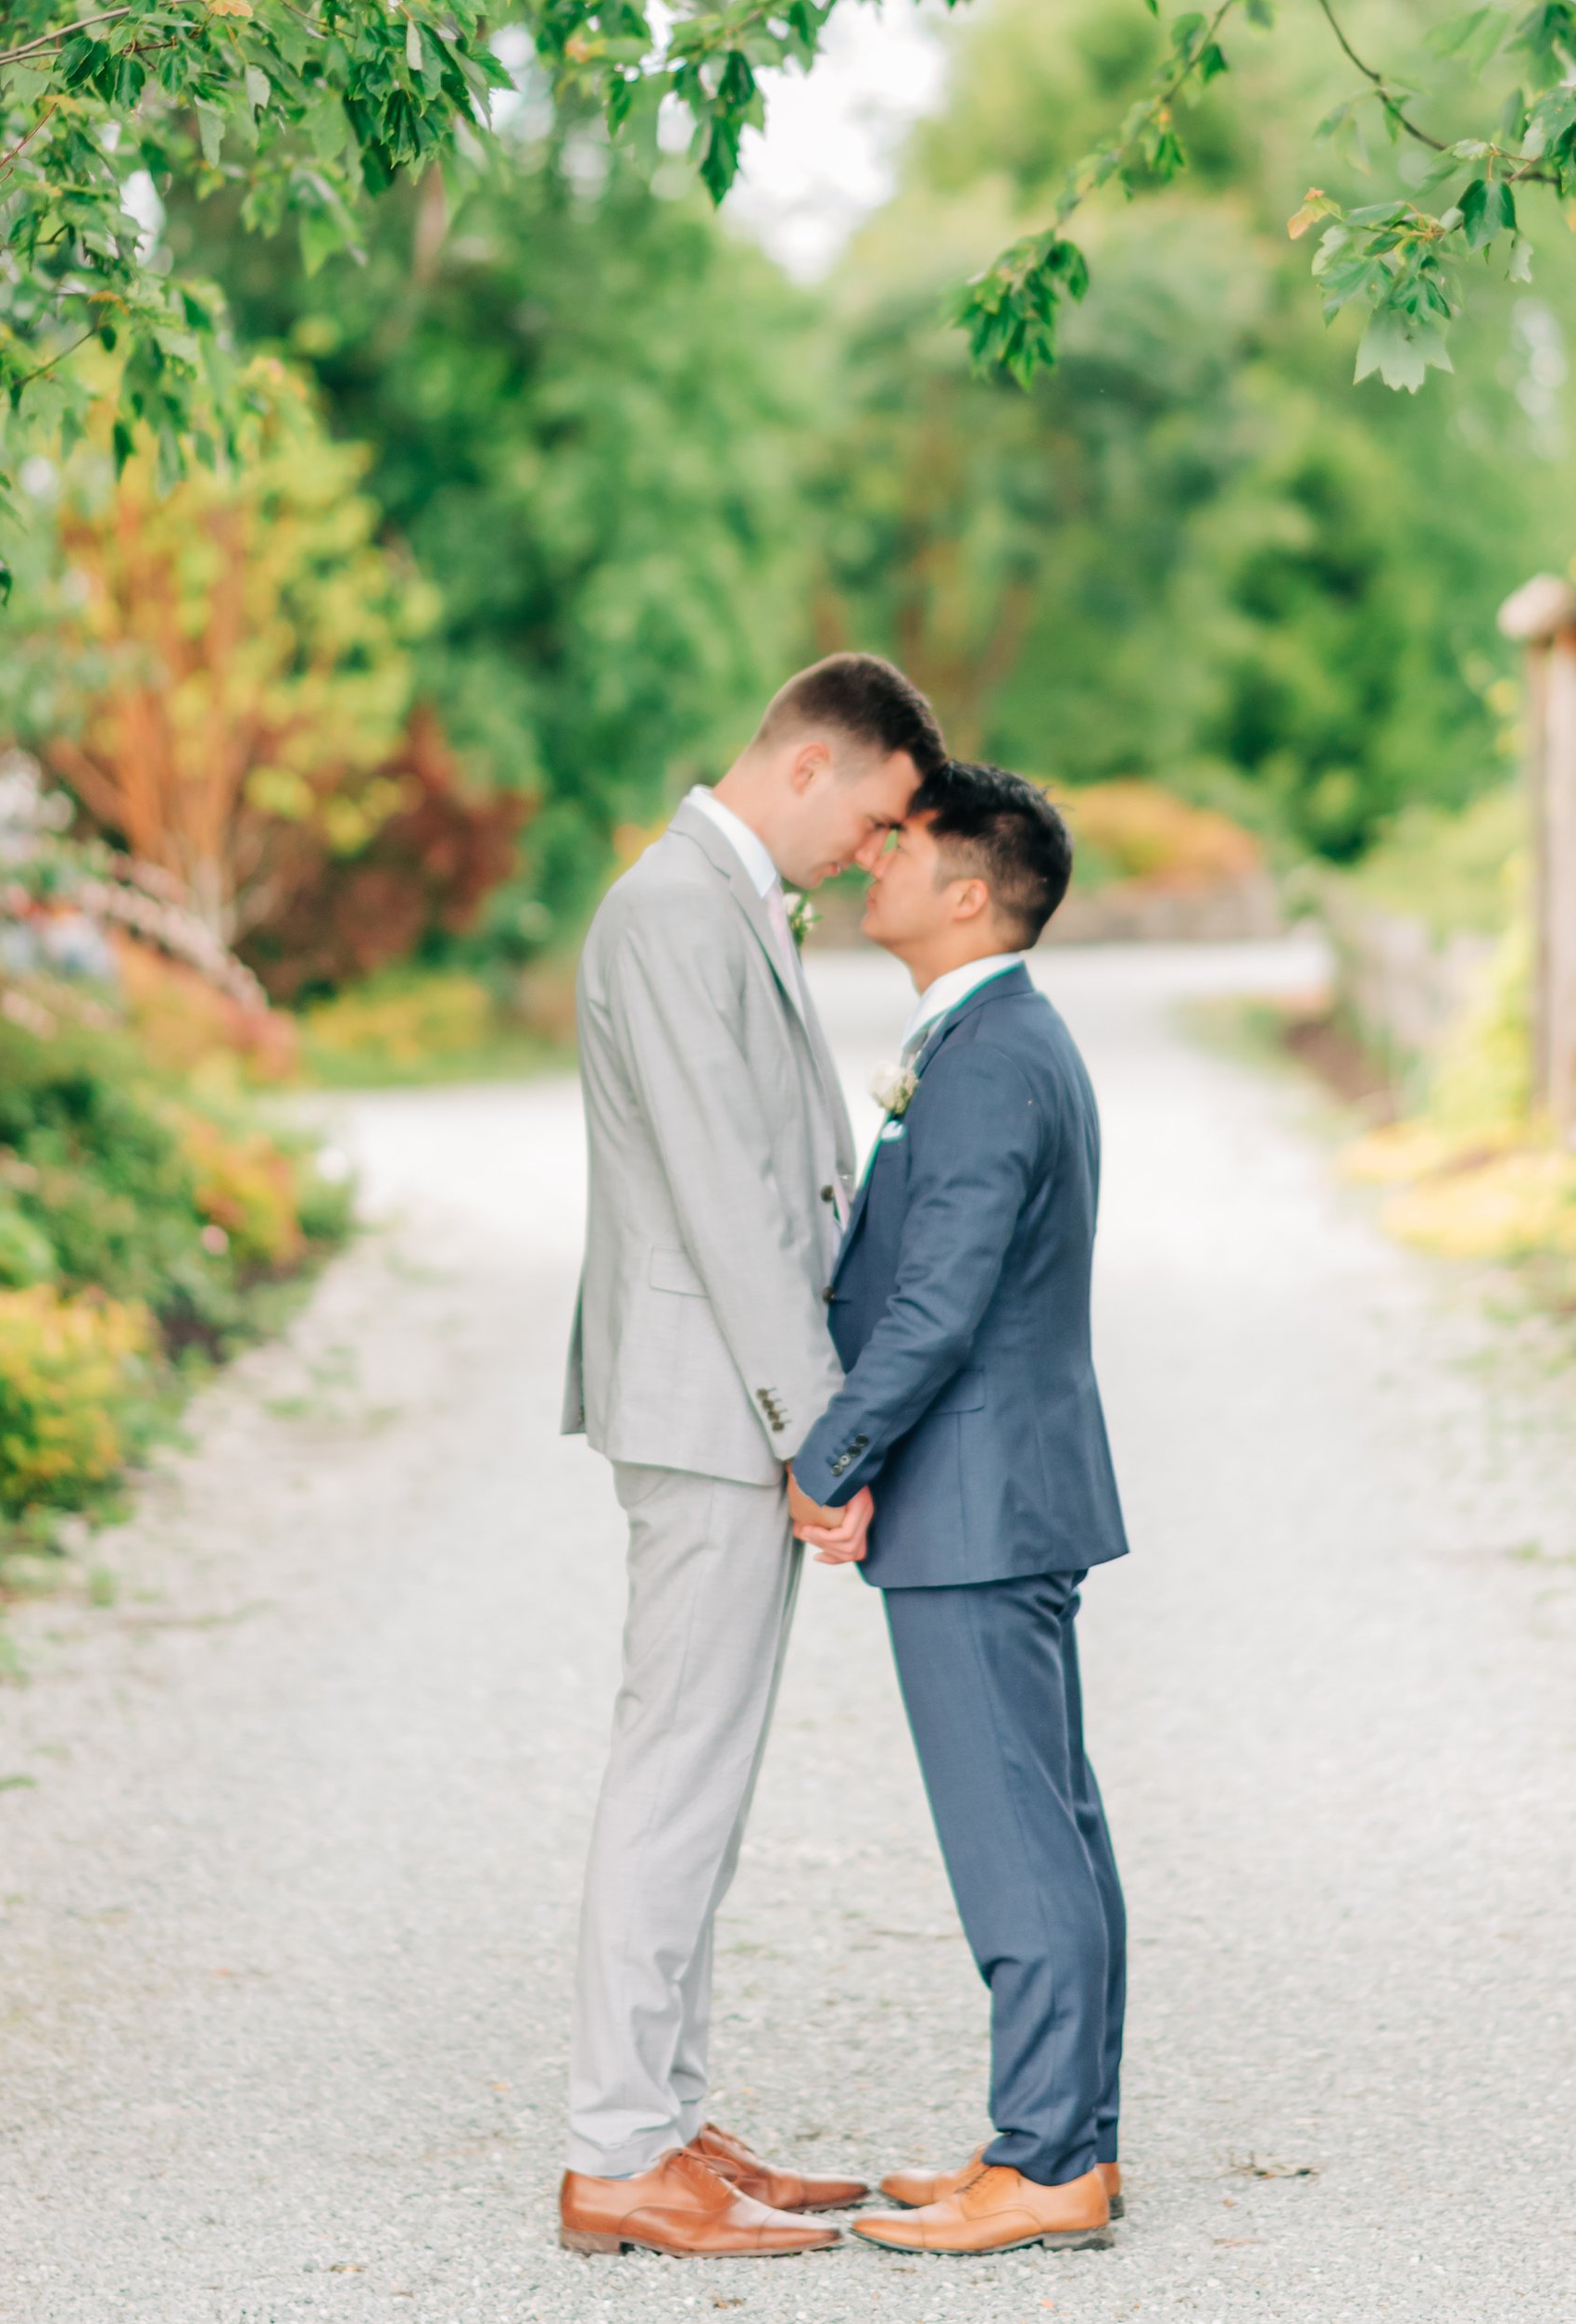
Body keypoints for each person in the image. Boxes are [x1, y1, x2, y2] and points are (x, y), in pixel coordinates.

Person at [556, 653, 944, 2262]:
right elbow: (727, 1196)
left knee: (704, 1774)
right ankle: (614, 2149)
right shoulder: (669, 912)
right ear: (807, 765)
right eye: (878, 813)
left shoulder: (724, 901)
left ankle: (668, 2115)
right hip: (712, 1409)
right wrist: (820, 1430)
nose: (876, 850)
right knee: (676, 1769)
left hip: (730, 1403)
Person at [787, 762, 1128, 2258]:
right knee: (1049, 1819)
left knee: (1015, 1837)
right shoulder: (994, 1034)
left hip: (978, 1500)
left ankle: (1049, 2161)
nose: (874, 860)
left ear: (971, 888)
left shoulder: (989, 1054)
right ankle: (1061, 2141)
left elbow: (937, 1304)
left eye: (902, 846)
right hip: (1002, 1494)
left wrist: (830, 1453)